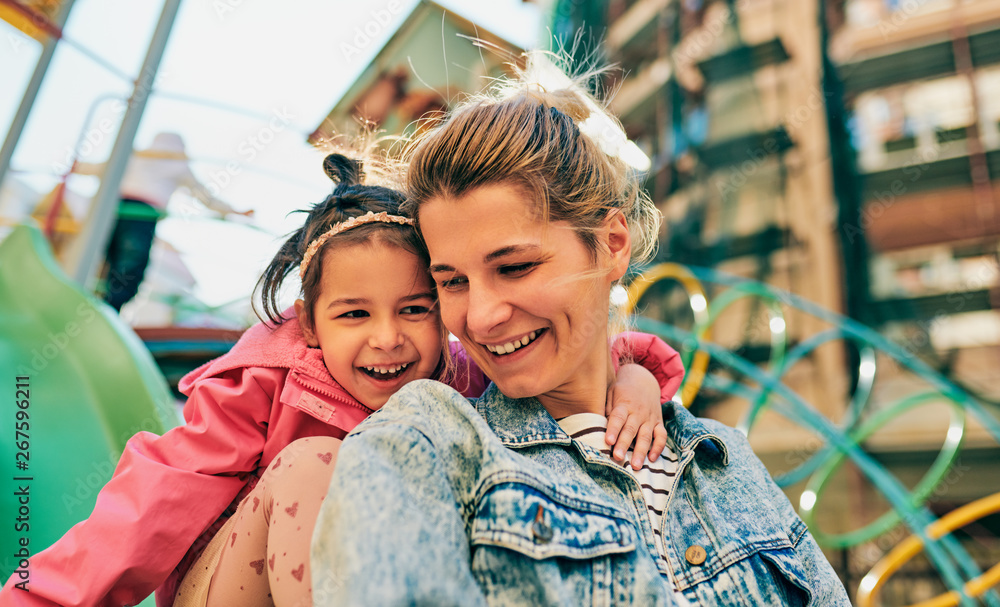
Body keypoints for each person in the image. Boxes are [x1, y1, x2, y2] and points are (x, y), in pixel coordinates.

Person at [0, 152, 683, 607]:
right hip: (238, 587)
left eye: (414, 309)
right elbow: (153, 500)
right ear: (313, 322)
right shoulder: (266, 382)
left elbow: (582, 353)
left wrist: (636, 378)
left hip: (367, 582)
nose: (387, 337)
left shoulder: (462, 376)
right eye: (355, 313)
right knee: (319, 464)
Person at [310, 55, 852, 606]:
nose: (481, 316)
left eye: (515, 267)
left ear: (612, 244)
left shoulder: (725, 458)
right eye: (451, 283)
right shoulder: (431, 440)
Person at [73, 132, 254, 311]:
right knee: (130, 265)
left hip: (114, 210)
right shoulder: (177, 163)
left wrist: (76, 167)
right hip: (142, 216)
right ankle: (110, 307)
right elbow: (204, 196)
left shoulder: (136, 155)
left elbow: (101, 168)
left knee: (104, 258)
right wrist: (233, 210)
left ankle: (88, 299)